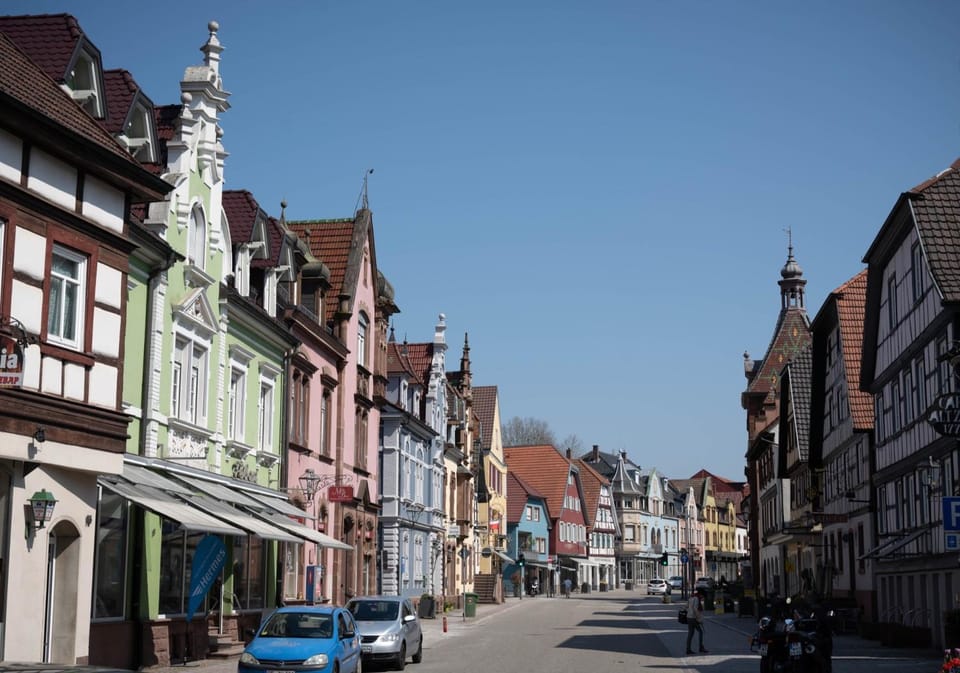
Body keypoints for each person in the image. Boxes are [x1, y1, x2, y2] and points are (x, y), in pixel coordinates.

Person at [686, 589, 708, 654]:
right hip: (693, 618)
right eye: (702, 597)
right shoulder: (696, 599)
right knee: (700, 632)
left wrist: (689, 612)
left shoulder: (691, 597)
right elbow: (695, 609)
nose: (702, 599)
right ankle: (701, 647)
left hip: (689, 617)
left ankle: (688, 649)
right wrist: (699, 618)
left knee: (690, 633)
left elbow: (686, 606)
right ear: (701, 595)